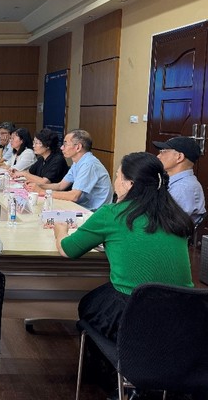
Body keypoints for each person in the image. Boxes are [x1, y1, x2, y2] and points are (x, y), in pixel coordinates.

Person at [53, 152, 193, 398]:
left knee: (89, 305)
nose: (115, 181)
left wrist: (60, 229)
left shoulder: (113, 214)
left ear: (129, 184)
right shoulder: (176, 216)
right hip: (185, 315)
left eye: (117, 176)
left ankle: (113, 377)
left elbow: (68, 250)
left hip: (131, 312)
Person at [26, 129, 112, 211]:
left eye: (65, 144)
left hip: (94, 211)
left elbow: (74, 196)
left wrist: (41, 191)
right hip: (82, 206)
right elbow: (60, 186)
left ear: (78, 147)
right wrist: (37, 186)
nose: (62, 148)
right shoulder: (77, 162)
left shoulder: (88, 164)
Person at [153, 136, 206, 224]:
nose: (158, 156)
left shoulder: (183, 188)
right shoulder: (175, 182)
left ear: (179, 157)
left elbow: (164, 222)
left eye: (163, 152)